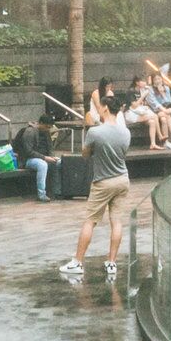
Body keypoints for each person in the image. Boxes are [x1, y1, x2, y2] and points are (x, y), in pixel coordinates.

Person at [64, 95, 134, 281]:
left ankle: (78, 262)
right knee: (116, 221)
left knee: (90, 221)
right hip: (122, 179)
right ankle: (112, 263)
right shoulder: (126, 132)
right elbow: (123, 153)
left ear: (105, 108)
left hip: (103, 181)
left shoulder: (95, 132)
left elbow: (85, 154)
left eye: (100, 107)